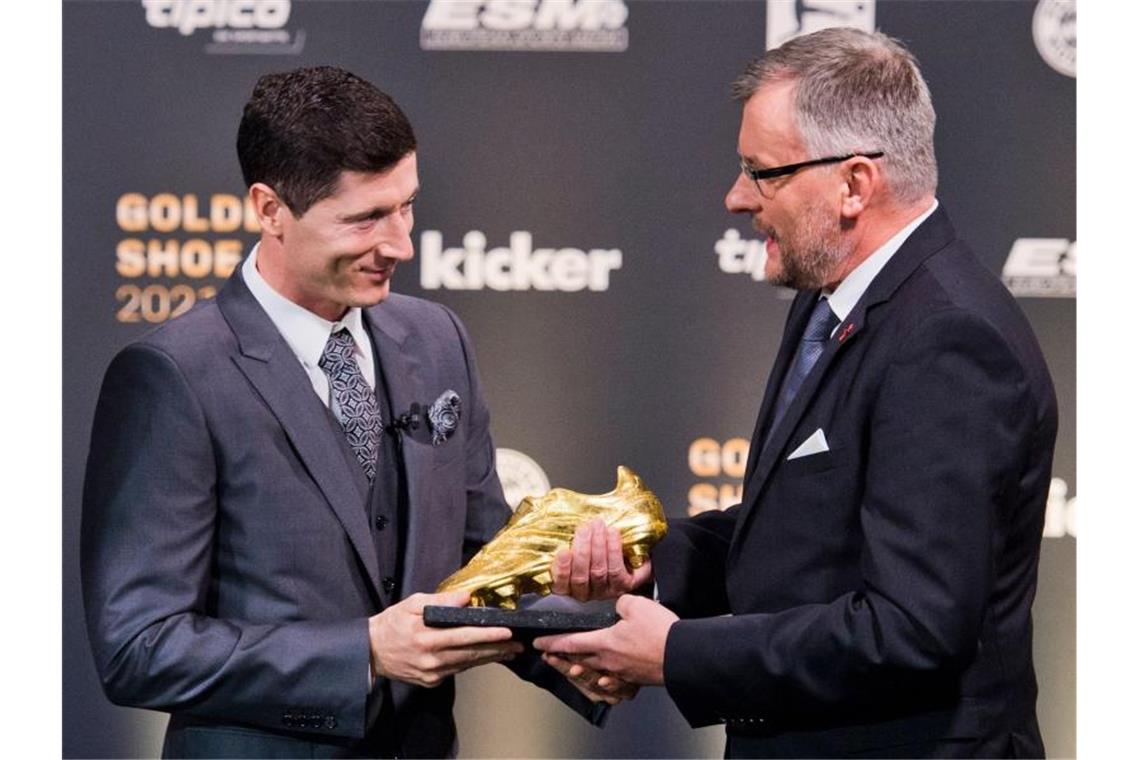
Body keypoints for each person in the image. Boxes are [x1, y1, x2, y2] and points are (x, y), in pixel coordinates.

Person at [535, 27, 1058, 758]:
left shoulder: (948, 340)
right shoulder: (830, 299)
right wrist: (657, 562)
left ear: (853, 184)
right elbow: (812, 529)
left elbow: (912, 628)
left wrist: (680, 654)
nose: (736, 198)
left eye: (763, 173)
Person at [81, 65, 612, 759]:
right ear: (270, 209)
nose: (400, 244)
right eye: (365, 218)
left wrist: (595, 648)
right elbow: (139, 646)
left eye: (406, 206)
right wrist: (362, 652)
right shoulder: (175, 376)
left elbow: (485, 561)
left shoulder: (437, 338)